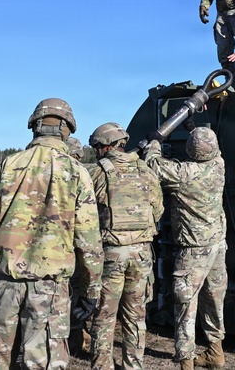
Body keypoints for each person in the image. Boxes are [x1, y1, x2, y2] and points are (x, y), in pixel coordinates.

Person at [0, 98, 103, 370]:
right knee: (42, 363)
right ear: (67, 130)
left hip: (3, 285)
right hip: (49, 289)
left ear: (34, 127)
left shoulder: (8, 166)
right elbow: (89, 240)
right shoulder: (77, 172)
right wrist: (90, 289)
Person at [143, 127, 227, 370]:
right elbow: (207, 146)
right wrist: (192, 124)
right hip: (217, 245)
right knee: (214, 300)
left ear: (191, 150)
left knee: (185, 307)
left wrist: (156, 142)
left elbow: (153, 164)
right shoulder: (219, 164)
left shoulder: (183, 173)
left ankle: (186, 362)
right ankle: (215, 352)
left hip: (193, 251)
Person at [85, 123, 163, 370]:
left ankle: (102, 366)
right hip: (141, 253)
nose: (97, 151)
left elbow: (86, 214)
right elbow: (158, 211)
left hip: (111, 254)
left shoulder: (98, 172)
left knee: (104, 316)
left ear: (106, 145)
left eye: (97, 147)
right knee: (136, 315)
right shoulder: (146, 170)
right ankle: (133, 365)